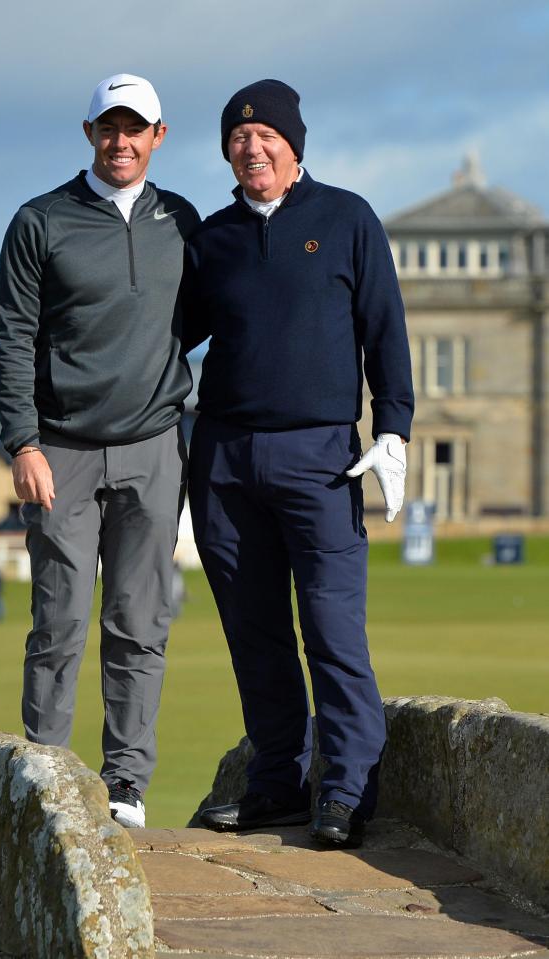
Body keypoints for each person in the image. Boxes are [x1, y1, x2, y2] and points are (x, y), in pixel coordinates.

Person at [184, 80, 414, 847]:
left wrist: (395, 428)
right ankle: (277, 782)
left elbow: (384, 327)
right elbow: (162, 342)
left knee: (332, 626)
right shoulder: (211, 239)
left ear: (294, 143)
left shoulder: (347, 218)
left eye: (266, 136)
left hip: (321, 459)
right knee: (255, 633)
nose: (253, 148)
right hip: (223, 459)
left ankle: (347, 789)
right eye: (239, 140)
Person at [0, 74, 199, 828]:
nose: (121, 141)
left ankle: (128, 789)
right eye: (108, 128)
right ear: (89, 134)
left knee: (140, 623)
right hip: (62, 451)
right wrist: (22, 439)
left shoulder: (181, 219)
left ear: (159, 136)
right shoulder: (39, 220)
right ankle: (47, 772)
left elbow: (211, 315)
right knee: (60, 620)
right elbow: (12, 335)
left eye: (134, 128)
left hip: (152, 448)